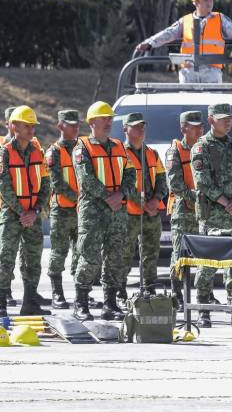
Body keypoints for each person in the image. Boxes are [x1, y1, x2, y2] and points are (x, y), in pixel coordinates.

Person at [71, 101, 136, 322]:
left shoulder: (119, 146)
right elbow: (86, 179)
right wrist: (110, 197)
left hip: (117, 211)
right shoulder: (82, 148)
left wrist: (122, 195)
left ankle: (110, 303)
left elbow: (130, 174)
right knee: (89, 257)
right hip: (93, 211)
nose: (109, 122)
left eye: (110, 118)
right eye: (104, 118)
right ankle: (80, 302)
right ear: (91, 123)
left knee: (115, 257)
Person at [191, 103, 232, 328]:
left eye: (229, 119)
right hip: (214, 214)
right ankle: (202, 308)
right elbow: (203, 182)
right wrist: (228, 204)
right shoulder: (201, 148)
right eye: (222, 119)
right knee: (207, 263)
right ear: (211, 120)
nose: (227, 122)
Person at [0, 105, 52, 317]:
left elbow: (46, 185)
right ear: (14, 126)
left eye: (33, 126)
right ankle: (0, 302)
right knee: (7, 258)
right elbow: (4, 186)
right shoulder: (3, 153)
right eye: (26, 125)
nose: (31, 130)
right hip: (11, 215)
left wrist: (34, 210)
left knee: (33, 259)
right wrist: (22, 212)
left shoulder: (39, 152)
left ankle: (29, 301)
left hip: (33, 215)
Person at [135, 0, 232, 83]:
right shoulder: (185, 21)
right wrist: (150, 43)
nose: (209, 3)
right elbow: (168, 34)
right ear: (196, 2)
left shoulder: (220, 19)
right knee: (188, 111)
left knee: (213, 112)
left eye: (211, 0)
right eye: (205, 0)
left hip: (211, 73)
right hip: (188, 73)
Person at [122, 113, 167, 298]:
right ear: (125, 129)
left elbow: (162, 180)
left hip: (152, 213)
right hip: (130, 214)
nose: (141, 130)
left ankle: (149, 287)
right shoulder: (120, 153)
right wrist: (140, 202)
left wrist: (155, 200)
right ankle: (119, 289)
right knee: (124, 254)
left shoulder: (152, 153)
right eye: (136, 126)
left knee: (150, 254)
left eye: (143, 126)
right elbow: (121, 182)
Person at [165, 110, 204, 308]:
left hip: (202, 208)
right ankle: (176, 291)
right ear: (183, 129)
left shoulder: (203, 149)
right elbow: (175, 183)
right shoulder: (175, 151)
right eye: (193, 126)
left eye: (200, 125)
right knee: (179, 251)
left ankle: (204, 294)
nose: (199, 129)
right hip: (183, 207)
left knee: (204, 253)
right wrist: (193, 199)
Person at [45, 110, 81, 309]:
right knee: (59, 252)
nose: (76, 128)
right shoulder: (54, 152)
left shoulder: (82, 148)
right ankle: (57, 293)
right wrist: (80, 198)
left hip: (80, 211)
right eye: (71, 125)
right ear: (60, 127)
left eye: (77, 124)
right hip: (62, 210)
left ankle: (80, 293)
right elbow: (56, 182)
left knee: (81, 252)